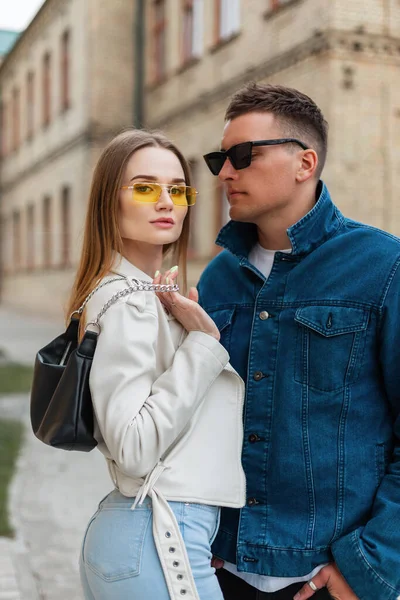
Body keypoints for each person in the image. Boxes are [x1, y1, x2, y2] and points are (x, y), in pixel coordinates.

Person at [199, 82, 400, 600]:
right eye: (220, 158)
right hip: (221, 569)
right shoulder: (216, 281)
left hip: (328, 578)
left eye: (242, 155)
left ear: (305, 162)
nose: (225, 172)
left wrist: (369, 566)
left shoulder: (382, 267)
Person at [66, 129, 246, 600]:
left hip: (151, 534)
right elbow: (134, 446)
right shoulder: (128, 301)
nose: (166, 202)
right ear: (110, 201)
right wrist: (204, 345)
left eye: (178, 189)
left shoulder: (138, 293)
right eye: (145, 188)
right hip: (159, 532)